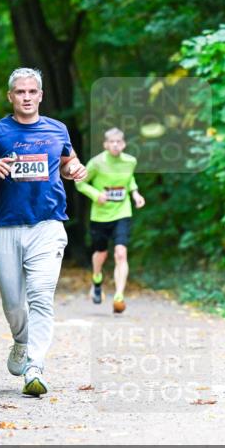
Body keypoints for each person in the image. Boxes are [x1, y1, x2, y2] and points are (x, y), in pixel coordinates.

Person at [0, 68, 87, 398]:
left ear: (41, 96)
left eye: (32, 91)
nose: (27, 97)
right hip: (7, 226)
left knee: (41, 294)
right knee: (13, 301)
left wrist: (74, 168)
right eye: (20, 92)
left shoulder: (57, 129)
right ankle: (21, 340)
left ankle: (35, 366)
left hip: (48, 224)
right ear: (10, 96)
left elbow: (67, 161)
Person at [76, 128, 145, 313]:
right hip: (100, 215)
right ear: (105, 144)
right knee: (101, 253)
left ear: (124, 144)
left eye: (118, 142)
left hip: (122, 212)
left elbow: (129, 180)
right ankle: (97, 277)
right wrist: (96, 194)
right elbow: (80, 183)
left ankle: (119, 296)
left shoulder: (130, 161)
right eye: (111, 142)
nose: (115, 145)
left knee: (121, 253)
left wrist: (135, 194)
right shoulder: (96, 163)